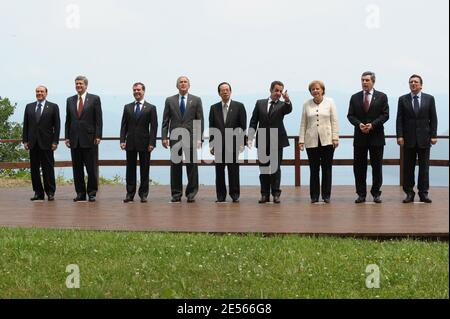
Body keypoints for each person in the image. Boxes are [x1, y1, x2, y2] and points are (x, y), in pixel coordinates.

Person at [347, 71, 389, 204]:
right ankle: (361, 194)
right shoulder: (355, 97)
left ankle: (376, 193)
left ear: (373, 82)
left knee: (377, 167)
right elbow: (350, 115)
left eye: (367, 80)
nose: (364, 82)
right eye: (362, 80)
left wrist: (373, 125)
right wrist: (359, 124)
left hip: (376, 137)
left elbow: (385, 115)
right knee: (359, 167)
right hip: (360, 137)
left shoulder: (382, 96)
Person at [248, 81, 292, 204]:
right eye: (276, 90)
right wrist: (250, 137)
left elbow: (289, 110)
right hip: (262, 139)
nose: (278, 93)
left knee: (275, 168)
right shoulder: (260, 103)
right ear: (271, 90)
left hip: (277, 140)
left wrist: (287, 100)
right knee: (263, 169)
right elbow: (253, 121)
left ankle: (276, 194)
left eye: (280, 91)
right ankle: (264, 194)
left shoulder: (283, 105)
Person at [396, 74, 438, 203]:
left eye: (415, 82)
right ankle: (409, 193)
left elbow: (433, 118)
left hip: (424, 139)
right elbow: (399, 119)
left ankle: (423, 193)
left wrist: (434, 135)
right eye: (411, 82)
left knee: (424, 168)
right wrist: (400, 136)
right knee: (408, 168)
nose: (413, 84)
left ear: (421, 85)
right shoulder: (403, 99)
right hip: (408, 139)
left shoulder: (429, 99)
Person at [162, 76, 204, 203]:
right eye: (181, 82)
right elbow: (165, 120)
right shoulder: (169, 100)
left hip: (191, 138)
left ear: (189, 85)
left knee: (192, 167)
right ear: (177, 85)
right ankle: (176, 194)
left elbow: (199, 120)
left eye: (185, 82)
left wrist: (199, 138)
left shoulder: (196, 100)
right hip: (175, 138)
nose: (183, 84)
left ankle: (191, 194)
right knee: (175, 167)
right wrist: (164, 137)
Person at [298, 80, 339, 203]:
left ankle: (326, 195)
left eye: (317, 89)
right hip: (311, 141)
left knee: (327, 168)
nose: (315, 91)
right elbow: (303, 123)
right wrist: (301, 140)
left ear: (322, 90)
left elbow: (334, 121)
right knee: (314, 169)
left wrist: (335, 137)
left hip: (327, 140)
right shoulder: (306, 104)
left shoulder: (330, 102)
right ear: (310, 92)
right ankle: (314, 196)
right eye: (313, 89)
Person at [65, 75, 103, 202]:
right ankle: (80, 193)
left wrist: (98, 135)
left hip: (90, 139)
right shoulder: (70, 100)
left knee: (91, 168)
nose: (78, 86)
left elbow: (98, 119)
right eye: (76, 84)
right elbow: (68, 120)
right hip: (74, 139)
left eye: (80, 84)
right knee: (77, 169)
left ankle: (92, 193)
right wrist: (66, 137)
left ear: (86, 85)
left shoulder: (94, 99)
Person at [209, 82, 247, 203]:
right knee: (219, 171)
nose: (225, 92)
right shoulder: (214, 108)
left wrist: (242, 143)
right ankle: (220, 196)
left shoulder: (239, 106)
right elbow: (212, 127)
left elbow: (242, 126)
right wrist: (212, 143)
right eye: (222, 90)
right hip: (219, 144)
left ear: (230, 92)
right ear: (219, 93)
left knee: (233, 170)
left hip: (234, 143)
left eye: (227, 90)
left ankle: (235, 194)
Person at [120, 82, 158, 203]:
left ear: (143, 91)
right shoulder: (127, 107)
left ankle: (143, 194)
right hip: (130, 142)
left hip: (145, 143)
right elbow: (123, 126)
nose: (136, 92)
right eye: (134, 90)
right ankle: (130, 194)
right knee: (130, 170)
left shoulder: (151, 107)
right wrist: (122, 140)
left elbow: (154, 127)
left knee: (144, 169)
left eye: (138, 90)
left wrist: (152, 143)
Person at [22, 85, 60, 201]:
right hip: (33, 143)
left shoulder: (53, 107)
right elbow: (26, 125)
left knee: (48, 168)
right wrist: (25, 140)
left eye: (42, 91)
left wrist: (55, 141)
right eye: (37, 91)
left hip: (47, 143)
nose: (39, 93)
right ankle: (38, 193)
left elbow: (57, 125)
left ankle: (50, 192)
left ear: (46, 93)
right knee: (34, 169)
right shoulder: (29, 107)